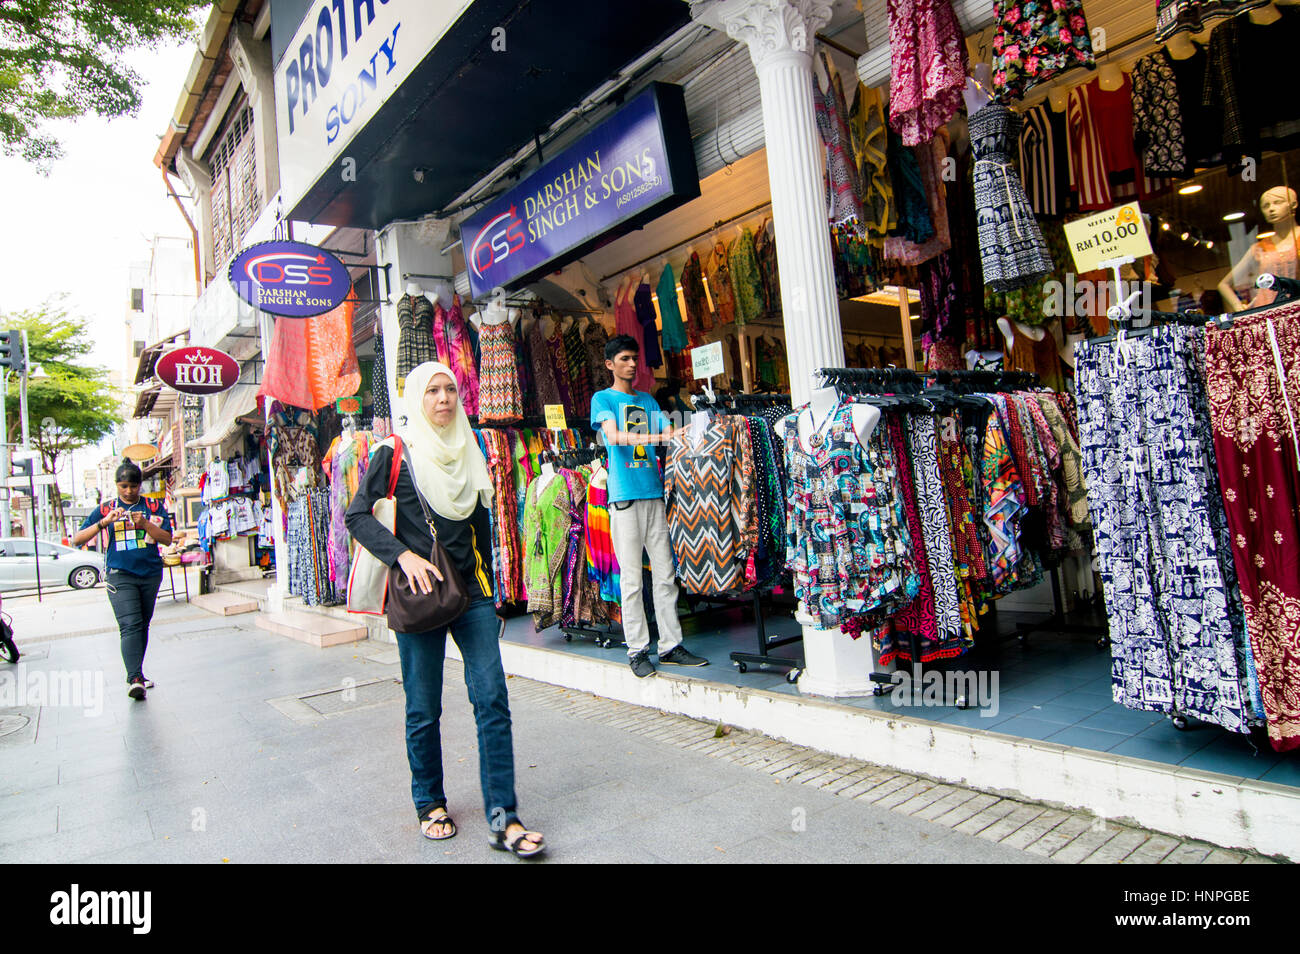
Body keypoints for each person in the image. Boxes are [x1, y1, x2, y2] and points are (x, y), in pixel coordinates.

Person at [344, 361, 545, 858]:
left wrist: (494, 592)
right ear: (416, 397)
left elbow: (478, 528)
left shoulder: (469, 447)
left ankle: (504, 815)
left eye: (450, 389)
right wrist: (401, 555)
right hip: (420, 593)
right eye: (432, 390)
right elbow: (356, 515)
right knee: (423, 706)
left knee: (492, 698)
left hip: (472, 594)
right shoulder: (395, 452)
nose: (443, 399)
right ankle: (429, 802)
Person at [591, 335, 710, 678]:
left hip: (654, 495)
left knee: (666, 576)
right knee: (631, 580)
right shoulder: (603, 399)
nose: (632, 364)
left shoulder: (648, 401)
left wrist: (690, 433)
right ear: (610, 364)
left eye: (634, 358)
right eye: (625, 358)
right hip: (624, 498)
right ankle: (637, 650)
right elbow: (612, 437)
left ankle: (670, 645)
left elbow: (672, 434)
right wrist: (663, 437)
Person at [71, 461, 173, 700]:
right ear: (116, 485)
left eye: (133, 486)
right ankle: (134, 678)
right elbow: (78, 539)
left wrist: (145, 523)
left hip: (149, 573)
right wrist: (104, 522)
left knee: (143, 624)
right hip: (120, 574)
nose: (128, 491)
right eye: (123, 486)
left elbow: (167, 539)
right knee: (130, 625)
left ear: (140, 485)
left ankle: (137, 672)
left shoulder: (153, 505)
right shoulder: (106, 508)